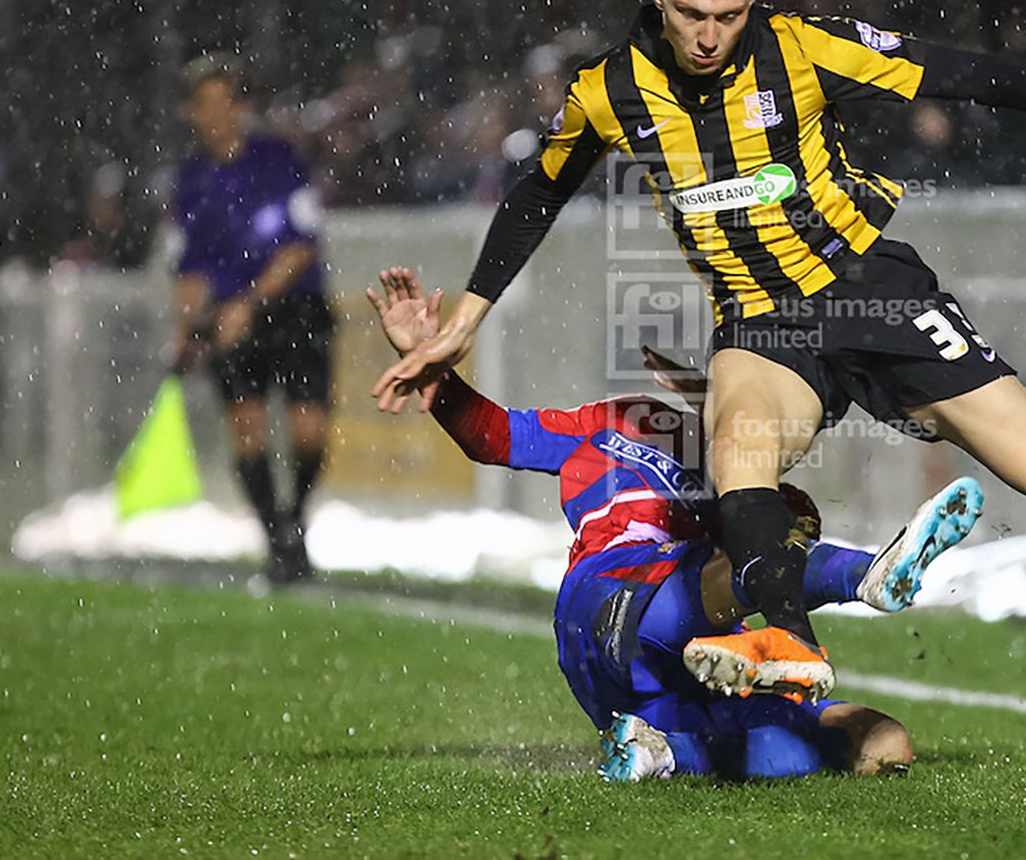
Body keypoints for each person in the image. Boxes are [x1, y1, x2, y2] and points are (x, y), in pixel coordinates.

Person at [373, 0, 1026, 700]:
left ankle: (923, 404)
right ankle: (789, 639)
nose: (708, 35)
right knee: (737, 455)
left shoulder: (803, 47)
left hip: (867, 287)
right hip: (760, 321)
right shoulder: (610, 90)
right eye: (691, 14)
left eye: (727, 16)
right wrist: (465, 321)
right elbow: (538, 191)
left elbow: (961, 72)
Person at [367, 266, 984, 780]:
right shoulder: (617, 421)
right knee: (750, 556)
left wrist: (739, 439)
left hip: (678, 675)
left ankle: (659, 753)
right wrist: (428, 363)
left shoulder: (743, 470)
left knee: (882, 743)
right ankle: (868, 575)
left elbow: (797, 524)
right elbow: (492, 436)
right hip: (610, 597)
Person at [171, 54, 334, 583]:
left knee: (310, 432)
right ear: (192, 113)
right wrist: (187, 331)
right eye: (206, 105)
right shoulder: (191, 180)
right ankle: (279, 542)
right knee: (247, 431)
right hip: (229, 320)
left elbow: (301, 247)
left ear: (242, 107)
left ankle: (294, 519)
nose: (217, 115)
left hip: (294, 310)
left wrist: (249, 303)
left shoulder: (280, 161)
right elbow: (190, 267)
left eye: (226, 102)